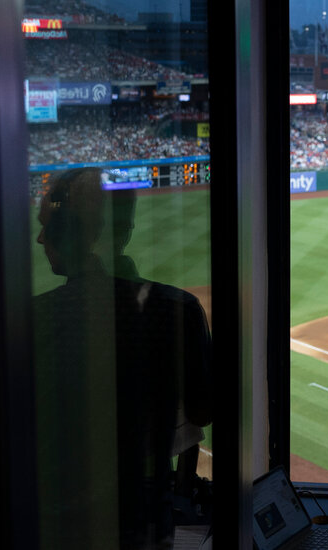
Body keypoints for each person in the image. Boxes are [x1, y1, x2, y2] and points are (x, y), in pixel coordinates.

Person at [33, 168, 213, 548]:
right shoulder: (179, 309)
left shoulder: (35, 319)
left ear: (74, 233)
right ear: (126, 231)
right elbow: (202, 411)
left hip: (55, 528)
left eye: (48, 227)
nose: (40, 238)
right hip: (145, 526)